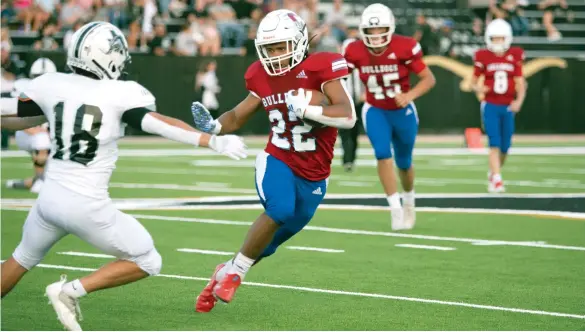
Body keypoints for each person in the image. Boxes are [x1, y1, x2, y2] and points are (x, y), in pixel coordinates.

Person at [0, 21, 247, 331]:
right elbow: (158, 123)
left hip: (48, 200)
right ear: (108, 57)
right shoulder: (119, 93)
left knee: (19, 259)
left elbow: (13, 115)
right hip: (86, 205)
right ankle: (69, 292)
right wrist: (212, 140)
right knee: (148, 260)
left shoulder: (53, 84)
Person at [190, 9, 356, 312]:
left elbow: (347, 114)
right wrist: (215, 127)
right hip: (277, 159)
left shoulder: (321, 66)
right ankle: (235, 276)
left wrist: (310, 110)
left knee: (269, 245)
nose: (276, 55)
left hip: (315, 174)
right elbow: (239, 114)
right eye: (270, 49)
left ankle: (224, 270)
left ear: (300, 42)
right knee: (280, 209)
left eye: (281, 47)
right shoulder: (260, 74)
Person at [343, 3, 436, 231]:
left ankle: (409, 201)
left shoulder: (405, 47)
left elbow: (428, 79)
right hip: (375, 109)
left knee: (404, 162)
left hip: (402, 111)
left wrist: (409, 95)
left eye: (380, 29)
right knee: (382, 155)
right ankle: (394, 207)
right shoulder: (354, 50)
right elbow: (338, 76)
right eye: (371, 31)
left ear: (390, 28)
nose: (375, 35)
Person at [471, 19, 526, 193]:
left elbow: (520, 82)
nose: (498, 42)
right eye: (494, 38)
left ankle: (494, 172)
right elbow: (473, 82)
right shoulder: (483, 56)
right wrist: (480, 88)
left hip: (508, 105)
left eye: (501, 38)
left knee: (505, 146)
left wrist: (519, 101)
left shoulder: (515, 55)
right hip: (490, 105)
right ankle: (497, 179)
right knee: (494, 143)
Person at [3, 58, 56, 193]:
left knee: (55, 177)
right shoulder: (24, 87)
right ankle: (38, 181)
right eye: (39, 77)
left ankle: (20, 183)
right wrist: (35, 130)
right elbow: (16, 114)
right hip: (25, 132)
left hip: (50, 134)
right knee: (42, 141)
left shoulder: (59, 92)